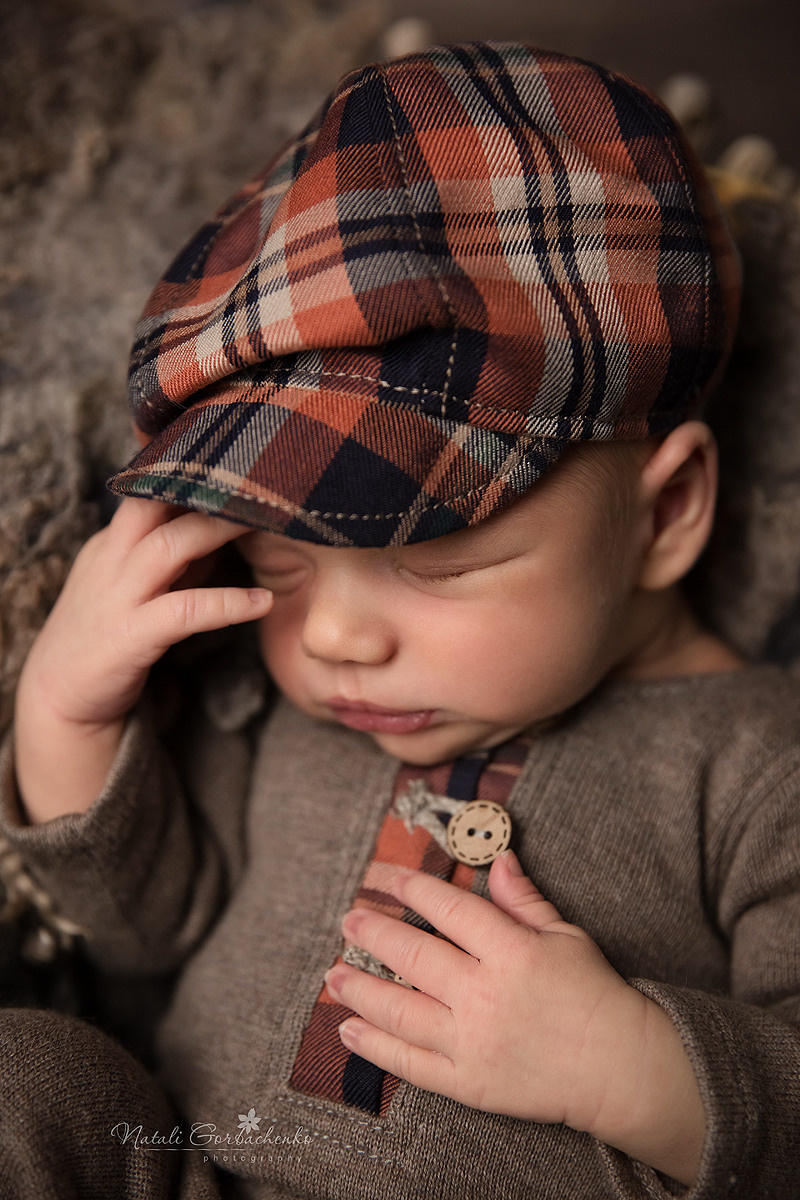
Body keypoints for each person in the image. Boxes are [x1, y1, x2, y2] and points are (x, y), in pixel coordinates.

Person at [2, 41, 799, 1200]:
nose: (334, 638)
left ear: (667, 511)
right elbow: (145, 935)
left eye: (432, 562)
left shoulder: (757, 762)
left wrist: (630, 1073)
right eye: (279, 554)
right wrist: (65, 713)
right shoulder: (285, 713)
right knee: (30, 1076)